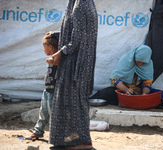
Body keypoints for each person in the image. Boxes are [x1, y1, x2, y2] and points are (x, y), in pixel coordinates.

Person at [45, 0, 98, 149]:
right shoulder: (81, 4)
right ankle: (73, 141)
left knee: (74, 102)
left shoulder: (81, 5)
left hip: (76, 63)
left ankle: (80, 142)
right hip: (78, 61)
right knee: (72, 101)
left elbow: (77, 39)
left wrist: (60, 53)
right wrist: (57, 34)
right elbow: (78, 31)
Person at [90, 45, 163, 107]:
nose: (140, 64)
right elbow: (114, 79)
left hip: (139, 92)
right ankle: (141, 103)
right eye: (138, 61)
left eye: (143, 63)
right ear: (135, 57)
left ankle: (135, 102)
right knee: (105, 93)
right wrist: (126, 89)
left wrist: (144, 94)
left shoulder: (149, 64)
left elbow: (147, 83)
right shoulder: (125, 60)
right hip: (124, 91)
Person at [30, 36, 58, 138]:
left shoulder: (57, 58)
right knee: (43, 112)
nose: (43, 49)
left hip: (54, 92)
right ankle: (38, 130)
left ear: (50, 47)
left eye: (44, 46)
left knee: (53, 115)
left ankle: (56, 135)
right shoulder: (51, 58)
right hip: (47, 90)